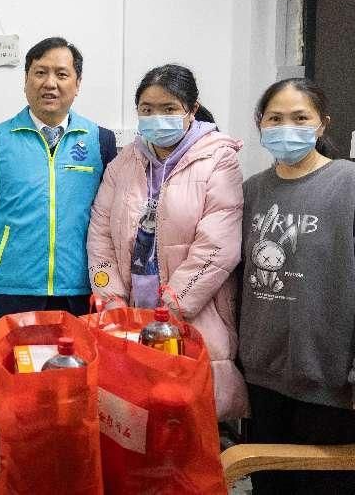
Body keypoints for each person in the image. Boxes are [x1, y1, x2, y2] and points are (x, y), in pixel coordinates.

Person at [239, 78, 355, 494]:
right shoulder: (252, 190)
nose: (286, 128)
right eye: (275, 118)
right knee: (270, 489)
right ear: (260, 124)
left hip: (335, 389)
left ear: (322, 124)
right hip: (264, 385)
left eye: (300, 118)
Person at [86, 64, 248, 421]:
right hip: (128, 314)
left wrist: (171, 307)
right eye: (147, 109)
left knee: (186, 419)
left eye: (169, 108)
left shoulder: (218, 159)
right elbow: (99, 233)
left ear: (192, 109)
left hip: (193, 311)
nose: (157, 117)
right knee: (137, 418)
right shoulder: (123, 162)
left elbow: (217, 246)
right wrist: (112, 300)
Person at [0, 37, 117, 326]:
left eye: (61, 74)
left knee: (78, 357)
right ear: (25, 80)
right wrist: (6, 256)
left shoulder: (100, 141)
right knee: (15, 357)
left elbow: (111, 216)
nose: (50, 83)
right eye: (40, 73)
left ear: (78, 83)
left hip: (81, 288)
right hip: (14, 290)